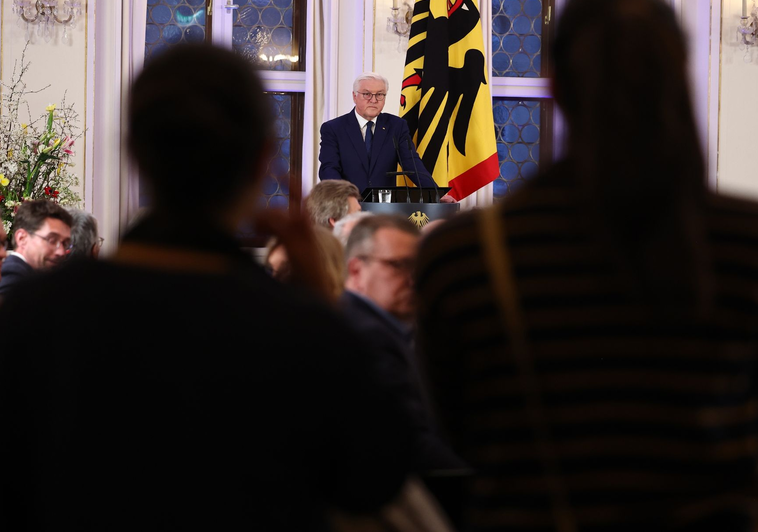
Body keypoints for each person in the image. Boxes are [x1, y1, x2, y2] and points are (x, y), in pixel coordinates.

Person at [416, 0, 758, 532]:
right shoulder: (756, 243)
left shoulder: (466, 256)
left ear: (559, 87)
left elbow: (463, 431)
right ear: (680, 75)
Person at [0, 44, 413, 531]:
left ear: (133, 150)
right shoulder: (300, 327)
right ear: (263, 162)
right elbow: (374, 478)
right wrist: (321, 299)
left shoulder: (31, 313)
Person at [341, 214, 466, 477]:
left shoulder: (387, 328)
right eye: (399, 266)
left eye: (417, 267)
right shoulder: (364, 334)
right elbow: (410, 441)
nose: (413, 280)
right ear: (356, 270)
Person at [319, 72, 454, 203]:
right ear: (354, 96)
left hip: (385, 207)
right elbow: (329, 169)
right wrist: (344, 198)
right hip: (347, 204)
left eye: (380, 95)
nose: (373, 100)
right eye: (367, 94)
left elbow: (411, 163)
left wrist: (435, 193)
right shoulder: (334, 128)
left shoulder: (396, 126)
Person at [0, 199, 72, 295]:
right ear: (22, 238)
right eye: (52, 240)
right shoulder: (15, 278)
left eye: (65, 243)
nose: (61, 251)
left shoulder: (36, 278)